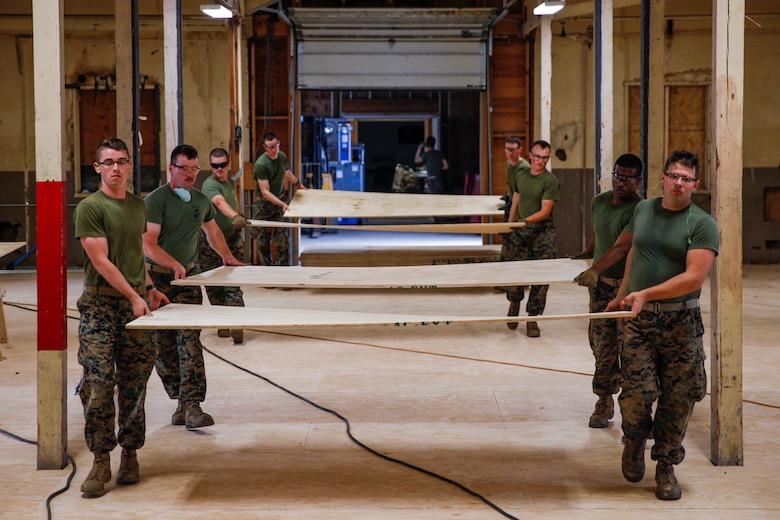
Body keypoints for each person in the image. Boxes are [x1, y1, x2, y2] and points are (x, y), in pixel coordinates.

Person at [606, 150, 719, 501]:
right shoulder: (642, 210)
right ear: (663, 177)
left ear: (695, 185)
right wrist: (623, 295)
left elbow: (693, 278)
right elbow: (635, 256)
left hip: (680, 322)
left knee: (679, 397)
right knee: (638, 393)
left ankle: (666, 465)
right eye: (674, 176)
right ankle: (635, 439)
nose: (678, 183)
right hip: (638, 321)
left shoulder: (702, 224)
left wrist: (645, 293)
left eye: (686, 179)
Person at [74, 138, 169, 497]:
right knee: (98, 384)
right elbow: (101, 261)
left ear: (130, 166)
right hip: (101, 307)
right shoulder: (91, 207)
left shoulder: (137, 206)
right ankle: (101, 459)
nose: (116, 168)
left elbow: (132, 256)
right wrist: (133, 296)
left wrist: (148, 288)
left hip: (136, 304)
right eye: (108, 162)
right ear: (97, 167)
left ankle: (130, 452)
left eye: (122, 162)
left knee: (135, 381)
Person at [143, 144, 244, 430]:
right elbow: (147, 244)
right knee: (163, 347)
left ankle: (192, 405)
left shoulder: (201, 200)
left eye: (194, 169)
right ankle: (180, 400)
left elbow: (212, 232)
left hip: (187, 281)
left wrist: (228, 257)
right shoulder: (156, 201)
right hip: (158, 281)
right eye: (184, 168)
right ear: (171, 169)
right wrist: (172, 263)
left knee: (188, 341)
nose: (190, 174)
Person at [572, 154, 644, 428]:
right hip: (601, 291)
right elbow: (599, 232)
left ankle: (633, 408)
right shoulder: (599, 201)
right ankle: (604, 399)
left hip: (627, 290)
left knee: (631, 349)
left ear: (638, 181)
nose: (620, 182)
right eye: (617, 175)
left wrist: (596, 269)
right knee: (602, 346)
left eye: (627, 179)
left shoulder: (640, 209)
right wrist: (589, 252)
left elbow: (622, 247)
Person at [501, 139, 559, 337]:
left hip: (542, 232)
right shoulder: (521, 175)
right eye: (537, 157)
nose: (540, 161)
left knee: (541, 277)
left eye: (545, 158)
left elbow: (545, 211)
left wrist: (525, 221)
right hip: (520, 231)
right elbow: (515, 200)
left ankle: (532, 317)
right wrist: (509, 225)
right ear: (530, 156)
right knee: (515, 272)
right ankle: (514, 302)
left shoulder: (550, 181)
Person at [197, 147, 247, 344]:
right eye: (214, 166)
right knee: (214, 285)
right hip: (211, 243)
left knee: (234, 282)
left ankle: (236, 322)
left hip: (232, 239)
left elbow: (230, 203)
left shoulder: (231, 183)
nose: (218, 169)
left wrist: (239, 215)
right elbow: (218, 202)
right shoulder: (210, 184)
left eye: (222, 165)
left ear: (229, 165)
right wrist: (235, 216)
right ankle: (222, 322)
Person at [252, 132, 306, 266]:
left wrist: (298, 184)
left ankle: (283, 270)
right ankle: (266, 271)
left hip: (280, 202)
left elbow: (286, 172)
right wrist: (282, 204)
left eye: (276, 146)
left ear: (279, 143)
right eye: (270, 147)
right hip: (264, 205)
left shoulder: (282, 157)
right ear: (265, 147)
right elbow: (265, 192)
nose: (274, 149)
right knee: (263, 241)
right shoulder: (261, 164)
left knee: (282, 239)